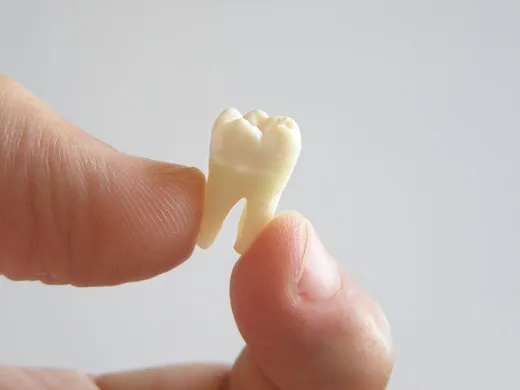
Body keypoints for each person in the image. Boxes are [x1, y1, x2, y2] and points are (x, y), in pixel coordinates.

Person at [0, 74, 393, 390]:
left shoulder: (262, 137)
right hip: (231, 169)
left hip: (244, 167)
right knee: (223, 213)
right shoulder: (259, 137)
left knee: (241, 214)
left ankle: (219, 226)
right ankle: (215, 225)